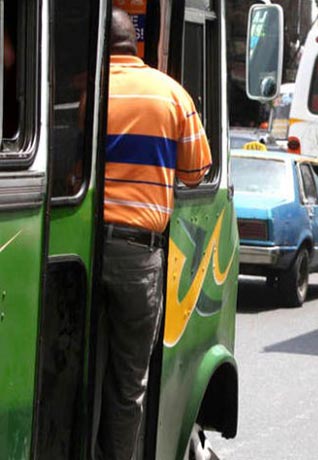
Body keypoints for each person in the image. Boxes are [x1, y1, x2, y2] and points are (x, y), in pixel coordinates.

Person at [96, 8, 211, 460]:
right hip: (138, 256)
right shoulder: (171, 95)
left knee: (83, 363)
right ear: (134, 44)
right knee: (128, 383)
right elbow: (197, 173)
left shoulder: (92, 92)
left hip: (82, 250)